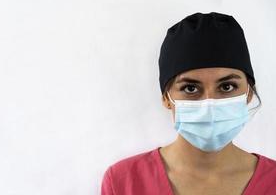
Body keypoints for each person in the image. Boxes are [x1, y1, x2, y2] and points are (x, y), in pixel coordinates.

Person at [100, 12, 276, 195]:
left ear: (248, 94)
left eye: (227, 86)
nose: (210, 103)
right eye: (190, 88)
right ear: (166, 98)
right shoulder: (123, 182)